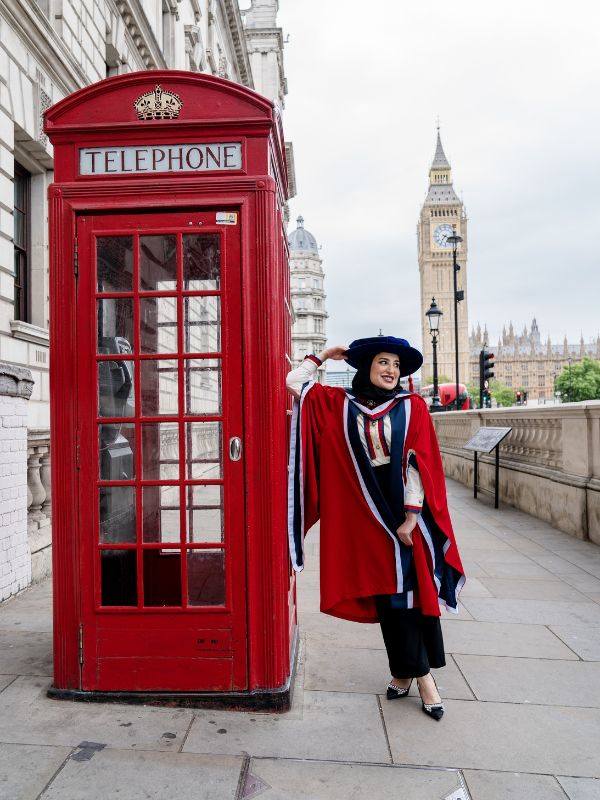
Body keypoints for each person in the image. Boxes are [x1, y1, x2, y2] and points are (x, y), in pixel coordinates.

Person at [286, 336, 465, 721]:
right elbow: (294, 383)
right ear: (367, 366)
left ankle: (423, 676)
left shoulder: (411, 406)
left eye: (397, 365)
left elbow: (420, 460)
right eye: (383, 362)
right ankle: (403, 671)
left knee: (411, 593)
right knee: (388, 594)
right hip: (362, 511)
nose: (390, 371)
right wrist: (322, 356)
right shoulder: (339, 403)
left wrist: (412, 516)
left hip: (402, 510)